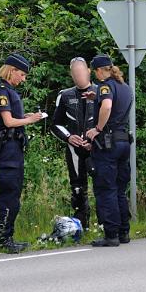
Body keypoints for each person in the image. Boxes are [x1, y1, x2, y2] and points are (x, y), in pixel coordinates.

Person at [0, 53, 43, 253]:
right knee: (8, 195)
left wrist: (25, 116)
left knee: (14, 195)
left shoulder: (10, 91)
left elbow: (14, 117)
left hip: (15, 151)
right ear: (11, 71)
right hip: (7, 153)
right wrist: (30, 120)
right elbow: (8, 122)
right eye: (21, 74)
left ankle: (8, 236)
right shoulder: (1, 91)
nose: (24, 78)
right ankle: (3, 239)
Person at [85, 55, 133, 247]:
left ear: (99, 71)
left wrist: (97, 129)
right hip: (123, 142)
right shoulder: (125, 87)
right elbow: (115, 104)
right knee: (120, 189)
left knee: (107, 189)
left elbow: (107, 106)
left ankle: (111, 234)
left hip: (108, 144)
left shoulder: (105, 85)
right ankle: (124, 232)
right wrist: (95, 96)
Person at [51, 57, 97, 230]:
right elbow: (55, 124)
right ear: (71, 75)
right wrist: (69, 137)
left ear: (88, 71)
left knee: (103, 185)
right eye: (75, 74)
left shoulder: (100, 92)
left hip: (96, 148)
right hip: (74, 150)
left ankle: (108, 226)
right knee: (78, 189)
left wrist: (95, 140)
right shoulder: (65, 95)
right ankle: (82, 227)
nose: (78, 76)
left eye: (81, 72)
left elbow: (109, 123)